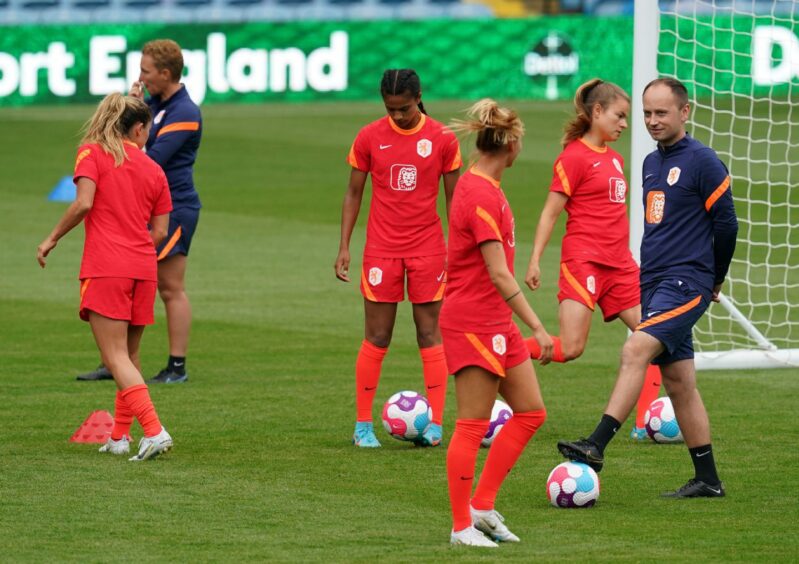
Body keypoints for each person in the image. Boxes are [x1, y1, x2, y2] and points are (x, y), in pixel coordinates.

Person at [557, 78, 738, 498]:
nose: (653, 121)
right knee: (679, 383)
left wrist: (714, 279)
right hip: (655, 284)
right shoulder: (649, 163)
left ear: (684, 112)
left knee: (634, 349)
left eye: (662, 113)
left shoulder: (703, 161)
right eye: (647, 113)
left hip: (687, 283)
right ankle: (708, 480)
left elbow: (727, 224)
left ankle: (596, 444)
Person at [523, 78, 663, 440]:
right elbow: (550, 213)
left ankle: (645, 422)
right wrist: (535, 259)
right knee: (571, 349)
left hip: (620, 266)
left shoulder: (615, 160)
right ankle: (499, 351)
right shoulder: (573, 157)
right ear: (597, 112)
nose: (626, 123)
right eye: (619, 115)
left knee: (652, 335)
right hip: (583, 262)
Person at [38, 93, 175, 461]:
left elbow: (83, 202)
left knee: (114, 356)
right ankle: (119, 436)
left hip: (106, 267)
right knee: (129, 354)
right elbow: (160, 230)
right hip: (143, 268)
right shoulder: (154, 169)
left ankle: (154, 430)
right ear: (139, 128)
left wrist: (51, 238)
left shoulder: (93, 153)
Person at [441, 99, 552, 547]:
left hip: (494, 320)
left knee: (530, 413)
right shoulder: (479, 194)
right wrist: (538, 328)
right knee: (471, 424)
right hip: (472, 320)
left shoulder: (486, 184)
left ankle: (482, 506)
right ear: (511, 144)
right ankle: (460, 526)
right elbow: (499, 272)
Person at [335, 69, 461, 448]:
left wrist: (458, 249)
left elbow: (455, 198)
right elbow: (354, 193)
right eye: (391, 109)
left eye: (404, 108)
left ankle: (436, 423)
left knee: (429, 334)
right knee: (377, 335)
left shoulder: (442, 138)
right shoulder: (369, 136)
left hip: (428, 249)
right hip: (381, 250)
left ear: (418, 97)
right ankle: (362, 426)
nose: (398, 116)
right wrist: (344, 246)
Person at [77, 39, 203, 384]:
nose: (141, 76)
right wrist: (137, 104)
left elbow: (148, 159)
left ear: (165, 73)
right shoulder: (157, 105)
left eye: (146, 71)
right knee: (132, 281)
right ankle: (118, 359)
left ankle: (175, 366)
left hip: (174, 208)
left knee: (169, 286)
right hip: (146, 206)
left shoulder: (185, 113)